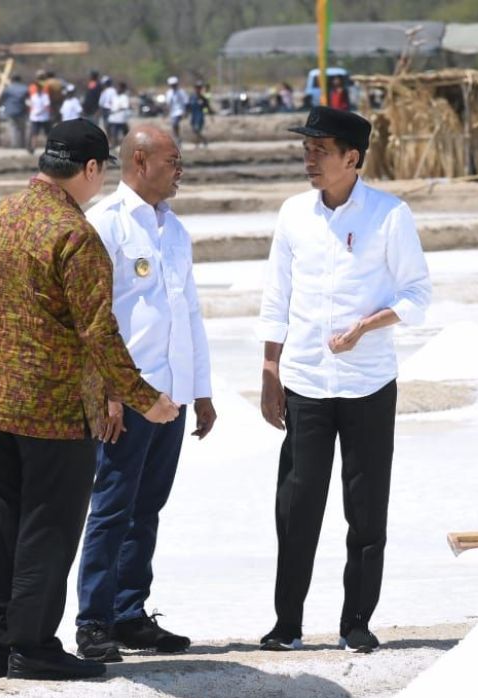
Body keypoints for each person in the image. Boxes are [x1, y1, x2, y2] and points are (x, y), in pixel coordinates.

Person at [0, 119, 179, 682]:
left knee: (2, 525)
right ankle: (33, 646)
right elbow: (99, 335)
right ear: (92, 169)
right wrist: (144, 399)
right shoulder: (75, 235)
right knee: (48, 530)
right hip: (51, 414)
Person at [258, 107, 431, 654]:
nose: (309, 158)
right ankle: (288, 623)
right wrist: (269, 369)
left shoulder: (390, 215)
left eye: (320, 150)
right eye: (306, 149)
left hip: (369, 383)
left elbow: (417, 296)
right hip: (306, 380)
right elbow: (275, 298)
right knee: (296, 505)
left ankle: (357, 619)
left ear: (352, 158)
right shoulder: (293, 215)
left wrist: (366, 326)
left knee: (366, 506)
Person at [74, 127, 215, 662]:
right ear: (139, 160)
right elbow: (94, 319)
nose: (180, 169)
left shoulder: (174, 231)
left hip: (172, 396)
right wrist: (109, 392)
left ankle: (130, 612)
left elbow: (190, 314)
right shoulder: (106, 225)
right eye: (172, 160)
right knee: (111, 506)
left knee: (147, 508)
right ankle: (94, 621)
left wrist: (201, 392)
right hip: (128, 398)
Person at [0, 74, 29, 149]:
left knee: (13, 128)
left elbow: (2, 98)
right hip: (21, 110)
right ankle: (22, 144)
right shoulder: (24, 88)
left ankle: (15, 145)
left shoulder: (8, 88)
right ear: (20, 80)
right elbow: (28, 98)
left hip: (10, 111)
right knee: (22, 128)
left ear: (12, 80)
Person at [27, 76, 52, 154]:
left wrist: (40, 111)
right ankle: (33, 148)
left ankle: (49, 149)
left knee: (47, 134)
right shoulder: (33, 96)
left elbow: (46, 106)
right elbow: (31, 105)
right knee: (34, 134)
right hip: (35, 118)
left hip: (44, 118)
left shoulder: (45, 96)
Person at [187, 81, 212, 148]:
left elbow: (207, 107)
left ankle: (197, 145)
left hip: (200, 116)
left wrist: (210, 114)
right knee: (194, 130)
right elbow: (188, 106)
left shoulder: (203, 98)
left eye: (199, 88)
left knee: (197, 129)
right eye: (197, 87)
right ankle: (204, 140)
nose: (198, 89)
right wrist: (186, 113)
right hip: (193, 116)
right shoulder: (192, 97)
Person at [107, 81, 131, 148]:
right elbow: (111, 105)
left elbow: (124, 107)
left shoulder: (124, 97)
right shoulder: (115, 96)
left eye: (119, 88)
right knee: (113, 132)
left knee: (125, 133)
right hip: (113, 118)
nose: (118, 89)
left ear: (123, 89)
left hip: (121, 119)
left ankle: (125, 145)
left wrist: (116, 110)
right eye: (117, 87)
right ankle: (114, 144)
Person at [166, 76, 189, 146]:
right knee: (174, 126)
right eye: (172, 85)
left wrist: (185, 111)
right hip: (172, 112)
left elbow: (186, 102)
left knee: (175, 124)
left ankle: (178, 139)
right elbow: (168, 103)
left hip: (180, 111)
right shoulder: (169, 93)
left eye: (174, 84)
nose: (173, 86)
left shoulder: (181, 92)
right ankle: (177, 138)